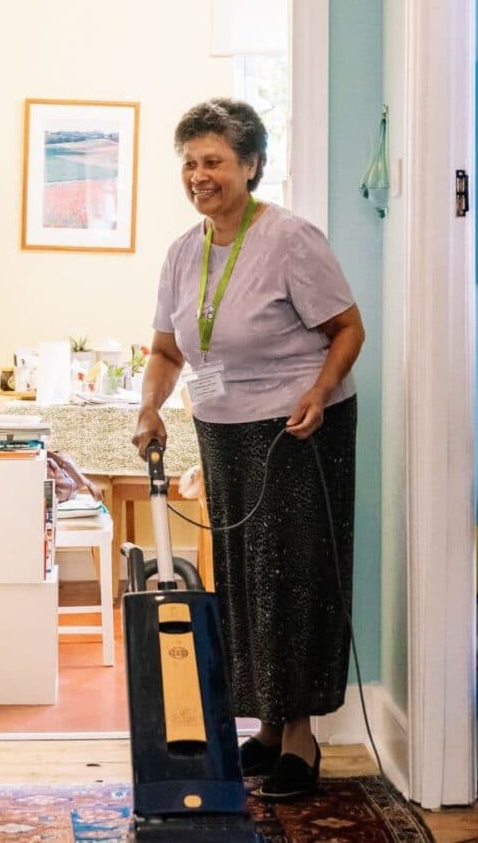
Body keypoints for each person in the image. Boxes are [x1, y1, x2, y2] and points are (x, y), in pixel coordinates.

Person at [133, 98, 365, 801]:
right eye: (191, 162)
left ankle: (301, 740)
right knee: (241, 578)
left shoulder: (291, 239)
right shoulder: (184, 250)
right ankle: (265, 728)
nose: (200, 175)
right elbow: (168, 348)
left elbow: (348, 329)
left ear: (251, 166)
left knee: (295, 579)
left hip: (299, 429)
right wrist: (150, 404)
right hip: (223, 430)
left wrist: (321, 392)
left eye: (215, 162)